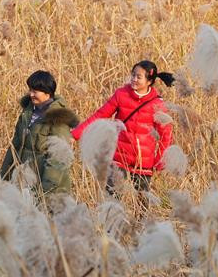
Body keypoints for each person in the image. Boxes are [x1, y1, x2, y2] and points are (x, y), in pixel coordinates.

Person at [71, 60, 174, 195]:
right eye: (133, 75)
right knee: (112, 198)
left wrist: (160, 161)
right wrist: (75, 134)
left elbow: (165, 135)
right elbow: (100, 115)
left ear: (149, 81)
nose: (134, 79)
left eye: (139, 77)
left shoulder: (158, 104)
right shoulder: (121, 94)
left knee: (142, 203)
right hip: (119, 158)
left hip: (143, 161)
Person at [0, 70, 79, 199]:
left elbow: (58, 157)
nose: (31, 94)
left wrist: (45, 190)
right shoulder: (27, 113)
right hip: (24, 181)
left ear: (47, 93)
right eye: (30, 90)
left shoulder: (58, 118)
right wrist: (4, 176)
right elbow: (15, 146)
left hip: (47, 188)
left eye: (35, 91)